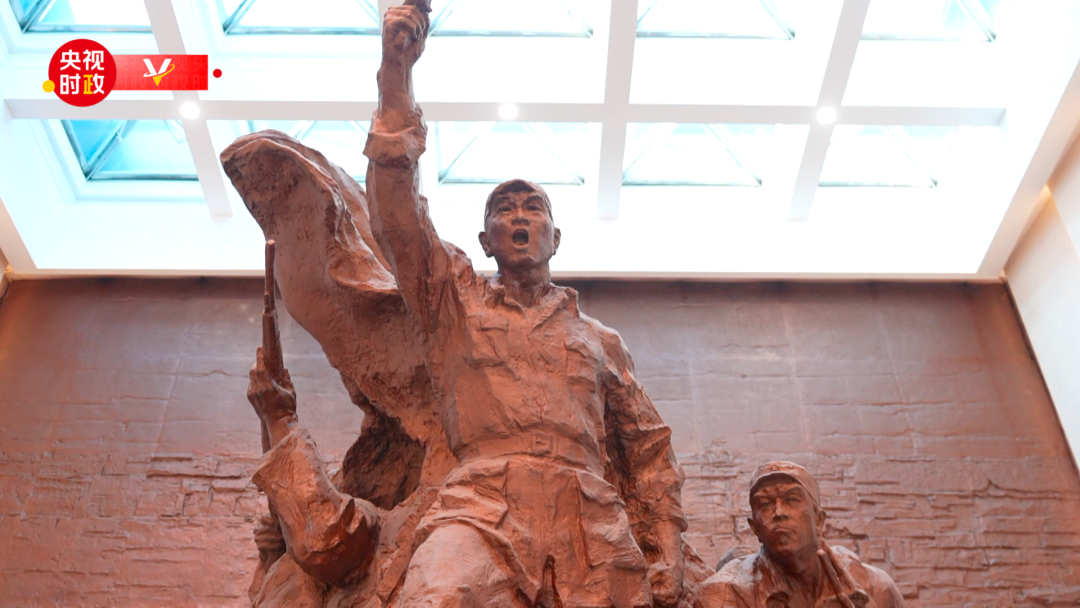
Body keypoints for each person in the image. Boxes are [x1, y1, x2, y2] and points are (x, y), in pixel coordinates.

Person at [241, 0, 691, 605]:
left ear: (556, 238)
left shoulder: (601, 342)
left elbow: (650, 453)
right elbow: (398, 219)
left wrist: (667, 552)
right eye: (505, 211)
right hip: (481, 503)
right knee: (435, 594)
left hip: (590, 523)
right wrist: (396, 73)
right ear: (486, 241)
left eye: (533, 209)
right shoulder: (455, 303)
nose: (520, 218)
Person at [695, 462, 905, 608]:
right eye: (765, 504)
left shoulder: (877, 588)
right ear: (754, 528)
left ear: (819, 520)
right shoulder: (725, 593)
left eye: (792, 499)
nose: (779, 513)